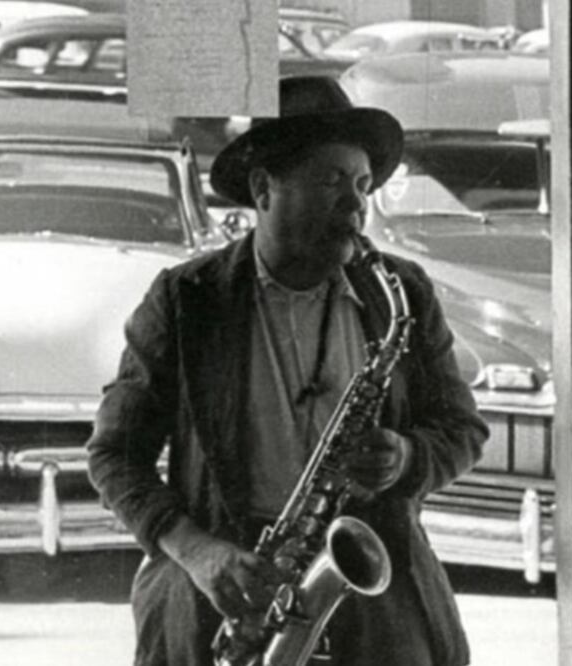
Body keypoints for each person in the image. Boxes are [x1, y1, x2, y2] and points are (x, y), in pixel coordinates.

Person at [87, 75, 489, 666]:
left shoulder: (400, 292)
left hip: (372, 588)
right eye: (331, 181)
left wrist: (406, 456)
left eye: (362, 185)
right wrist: (198, 554)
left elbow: (462, 430)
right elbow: (114, 456)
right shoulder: (186, 300)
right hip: (222, 591)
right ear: (264, 188)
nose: (355, 205)